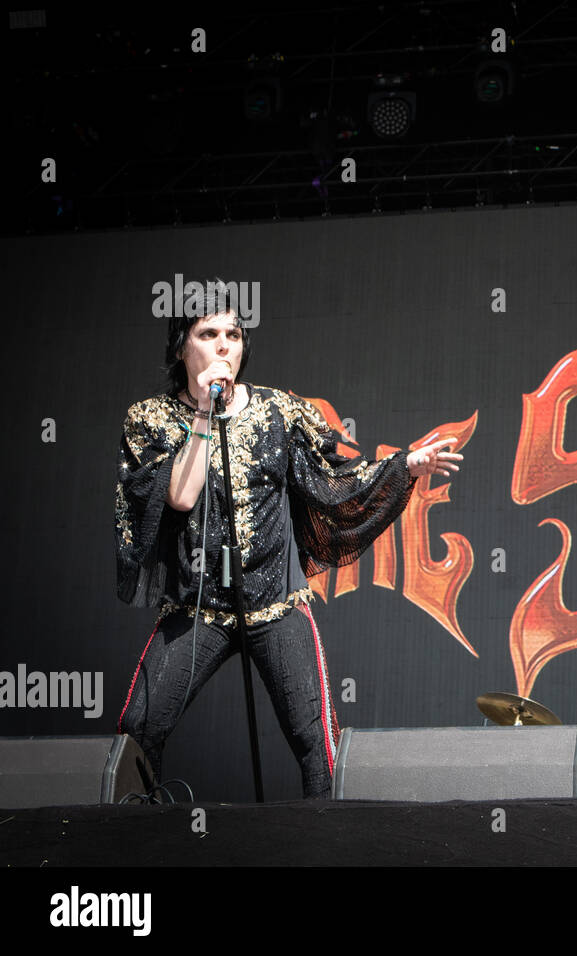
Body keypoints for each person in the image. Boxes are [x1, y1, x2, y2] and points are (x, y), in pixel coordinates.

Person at [114, 280, 462, 798]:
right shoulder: (153, 418)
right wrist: (205, 417)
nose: (224, 346)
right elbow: (181, 497)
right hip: (198, 606)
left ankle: (325, 848)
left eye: (233, 333)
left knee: (317, 744)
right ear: (182, 346)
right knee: (137, 733)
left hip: (275, 602)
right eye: (208, 334)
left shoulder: (279, 410)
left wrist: (403, 468)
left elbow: (333, 482)